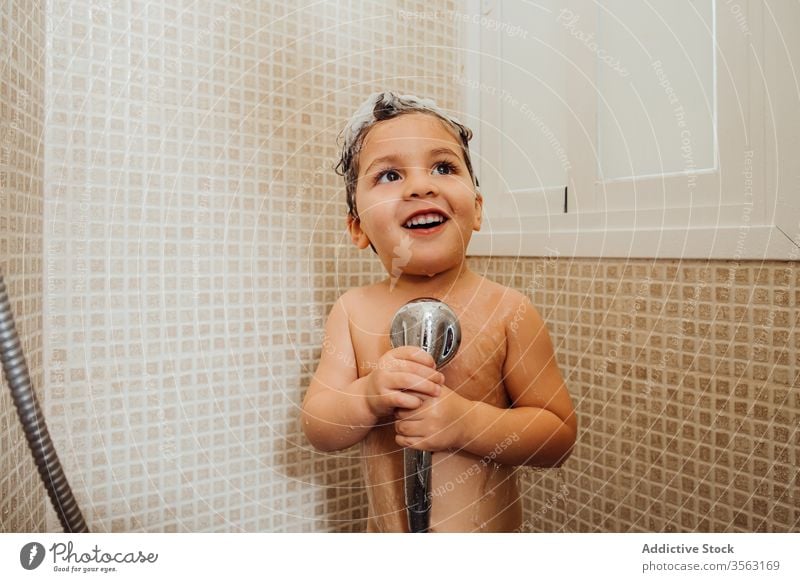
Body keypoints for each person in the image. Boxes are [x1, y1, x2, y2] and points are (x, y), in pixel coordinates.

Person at [301, 91, 577, 532]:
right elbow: (319, 426)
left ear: (478, 210)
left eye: (443, 168)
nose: (420, 186)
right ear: (357, 228)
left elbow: (557, 437)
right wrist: (369, 395)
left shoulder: (509, 312)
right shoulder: (353, 312)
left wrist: (465, 423)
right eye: (390, 174)